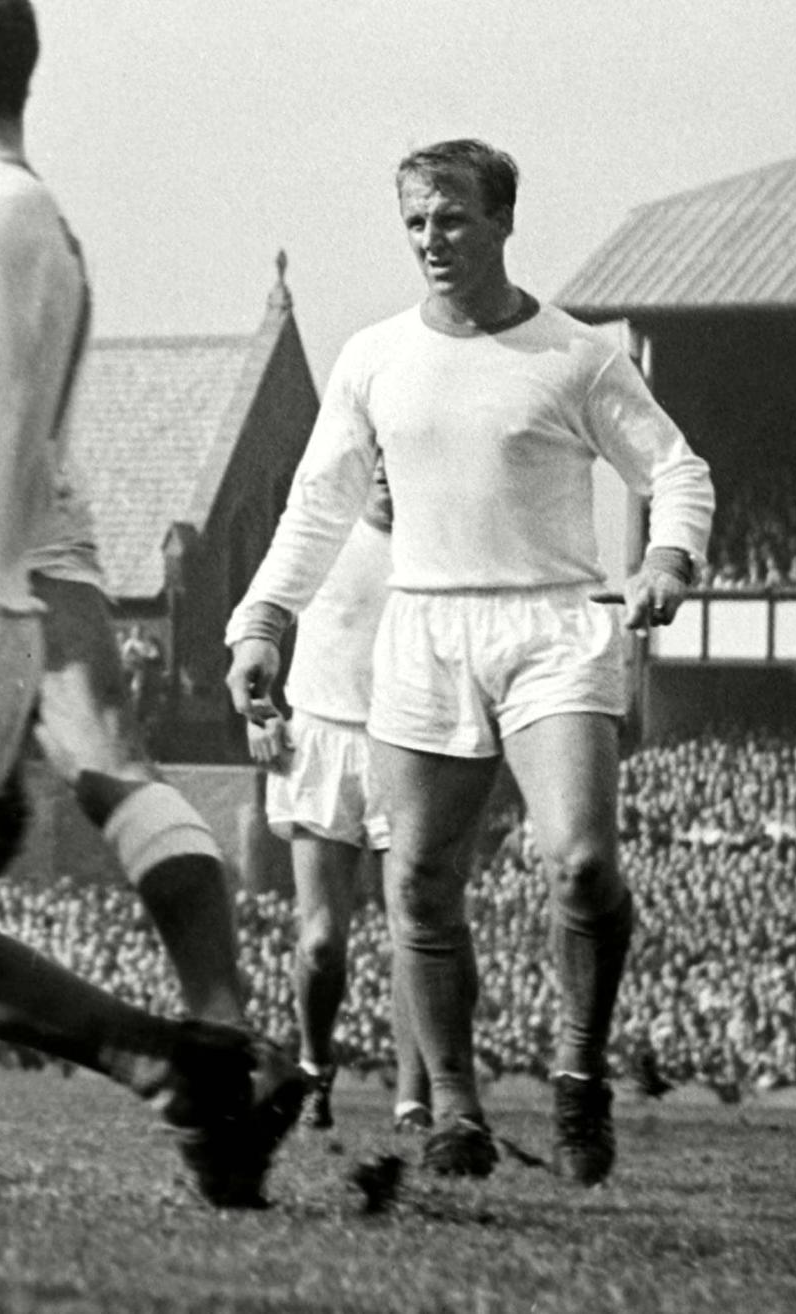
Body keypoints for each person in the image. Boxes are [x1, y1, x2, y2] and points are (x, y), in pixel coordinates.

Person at [226, 138, 714, 1185]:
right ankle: (455, 1113)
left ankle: (579, 1075)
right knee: (421, 888)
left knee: (580, 862)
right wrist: (261, 621)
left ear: (500, 221)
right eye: (414, 222)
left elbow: (676, 471)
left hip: (551, 622)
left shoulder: (575, 355)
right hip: (426, 627)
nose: (431, 240)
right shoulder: (372, 357)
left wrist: (668, 558)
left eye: (451, 218)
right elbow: (316, 507)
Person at [0, 0, 304, 1207]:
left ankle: (182, 1059)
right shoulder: (44, 229)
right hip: (33, 575)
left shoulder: (3, 222)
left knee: (115, 770)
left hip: (0, 592)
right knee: (119, 771)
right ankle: (204, 1044)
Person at [244, 465, 432, 1133]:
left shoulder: (436, 548)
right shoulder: (318, 537)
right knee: (322, 941)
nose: (387, 474)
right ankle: (316, 1068)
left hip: (404, 744)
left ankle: (414, 1100)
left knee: (414, 927)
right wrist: (259, 713)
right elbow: (256, 637)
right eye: (375, 463)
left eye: (397, 460)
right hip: (319, 740)